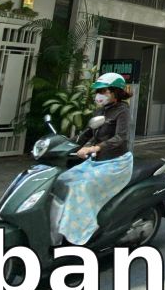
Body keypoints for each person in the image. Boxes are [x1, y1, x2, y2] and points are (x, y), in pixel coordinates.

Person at [54, 72, 134, 245]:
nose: (99, 95)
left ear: (115, 92)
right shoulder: (100, 110)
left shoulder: (123, 111)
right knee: (63, 180)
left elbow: (121, 137)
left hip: (115, 164)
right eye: (98, 91)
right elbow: (87, 133)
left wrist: (94, 148)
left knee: (81, 188)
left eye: (103, 91)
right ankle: (61, 223)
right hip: (96, 161)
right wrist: (64, 145)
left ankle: (85, 230)